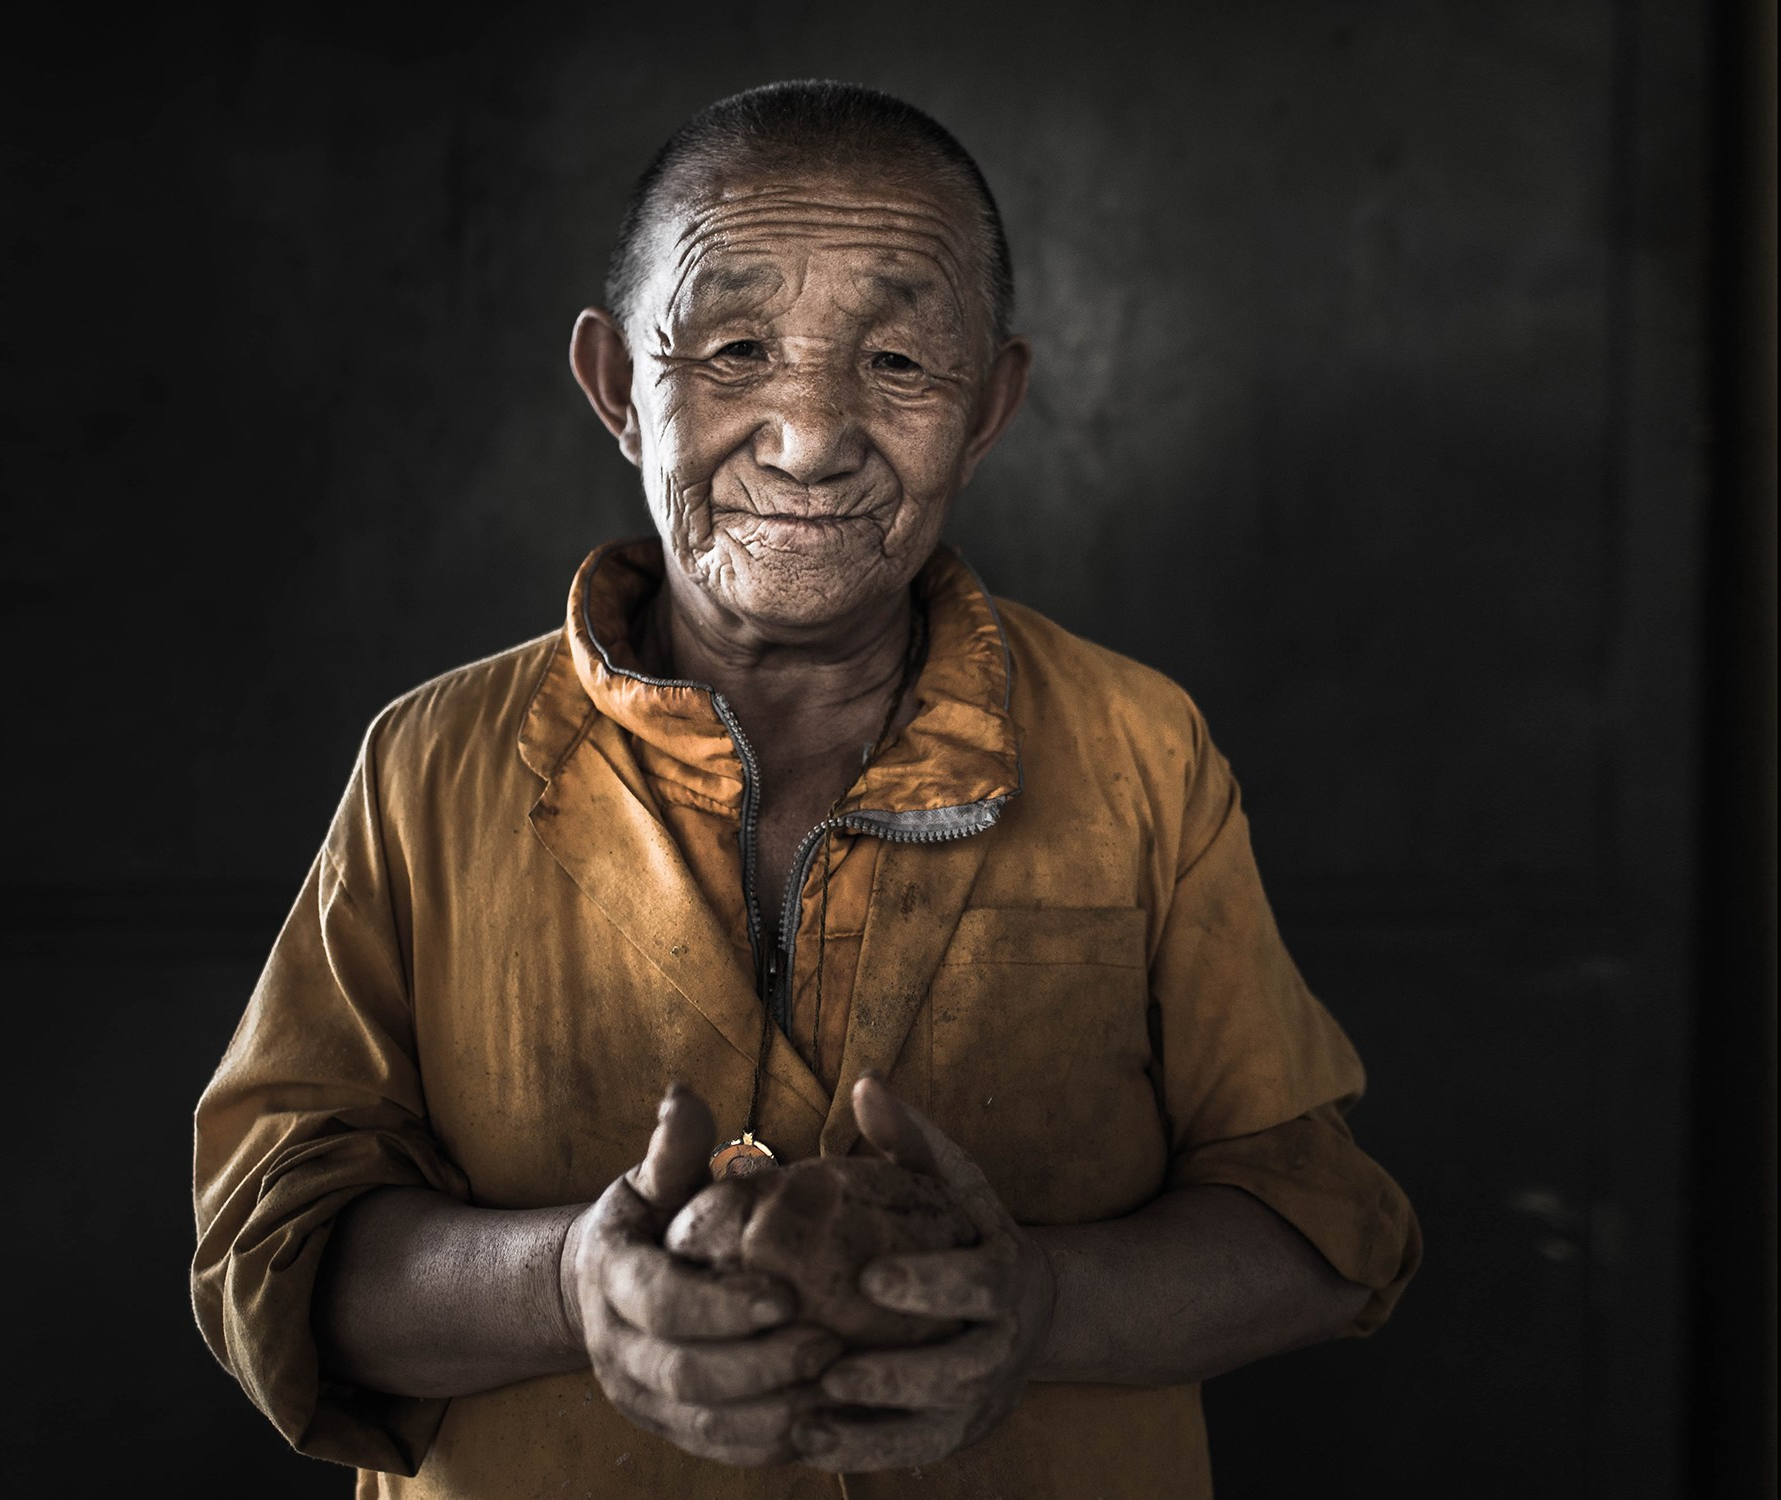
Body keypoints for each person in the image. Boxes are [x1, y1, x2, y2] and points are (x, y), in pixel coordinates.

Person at [192, 80, 1420, 1499]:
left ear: (990, 406)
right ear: (617, 388)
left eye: (897, 361)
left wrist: (1041, 1307)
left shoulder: (1139, 748)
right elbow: (270, 1249)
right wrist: (571, 1287)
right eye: (734, 349)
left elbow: (1320, 1226)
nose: (811, 436)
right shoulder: (436, 761)